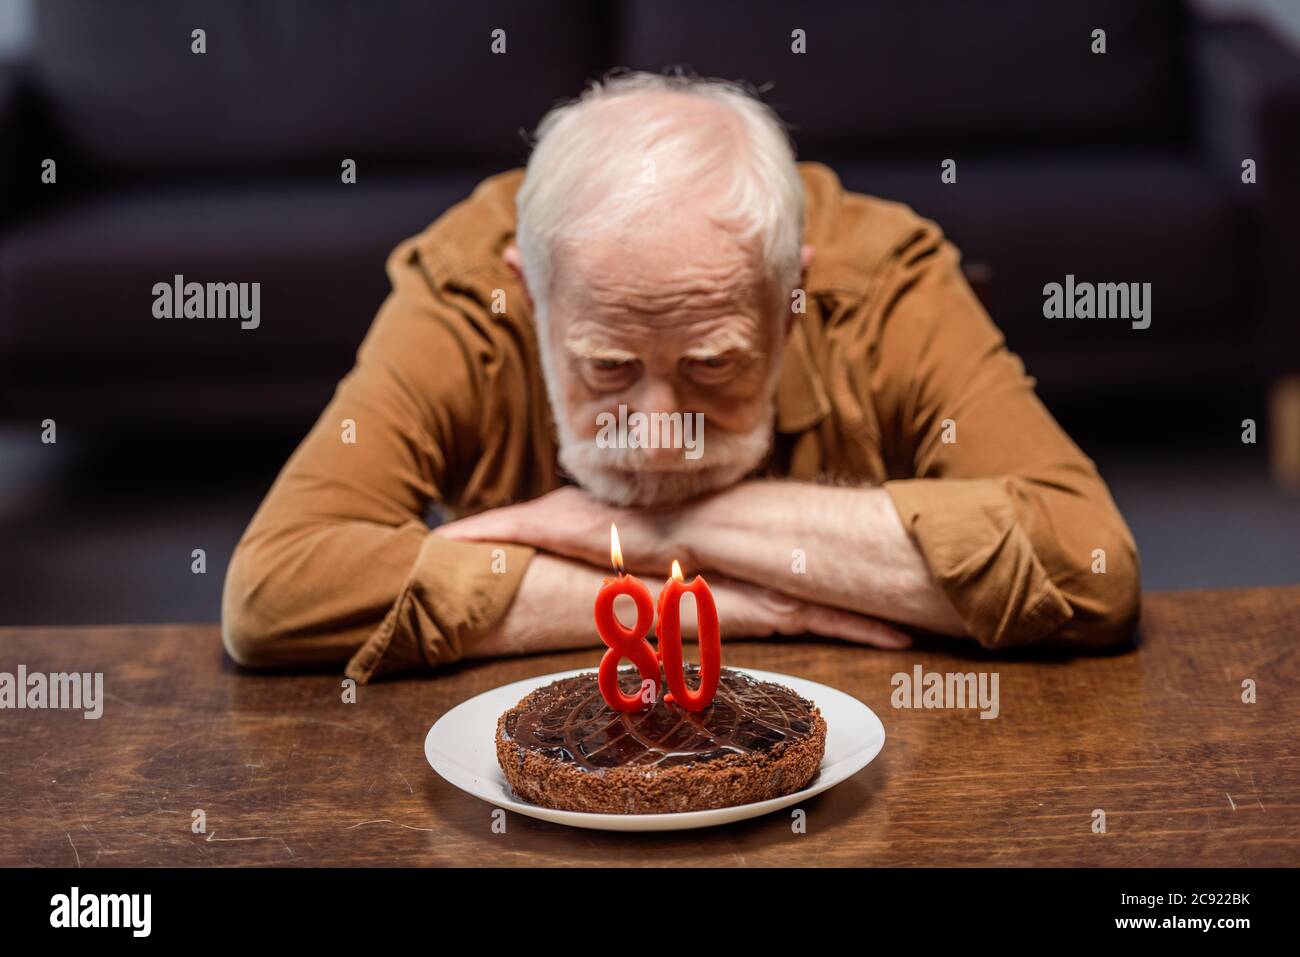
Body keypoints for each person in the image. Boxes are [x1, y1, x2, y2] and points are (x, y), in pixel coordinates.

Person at [222, 71, 1140, 682]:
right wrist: (717, 605)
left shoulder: (884, 278)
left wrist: (628, 529)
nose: (660, 426)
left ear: (794, 293)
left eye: (713, 365)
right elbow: (277, 591)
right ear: (528, 297)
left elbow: (1092, 566)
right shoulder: (468, 286)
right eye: (608, 366)